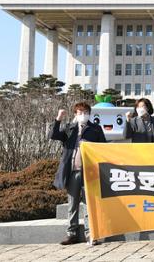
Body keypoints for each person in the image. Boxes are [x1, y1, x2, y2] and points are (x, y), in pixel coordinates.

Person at [49, 101, 106, 246]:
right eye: (80, 113)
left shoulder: (96, 129)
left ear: (89, 114)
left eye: (85, 112)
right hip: (72, 171)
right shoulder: (70, 128)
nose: (83, 115)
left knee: (88, 204)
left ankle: (90, 234)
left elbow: (103, 148)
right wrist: (58, 119)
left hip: (89, 172)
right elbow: (53, 135)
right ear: (75, 114)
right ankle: (71, 234)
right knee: (72, 204)